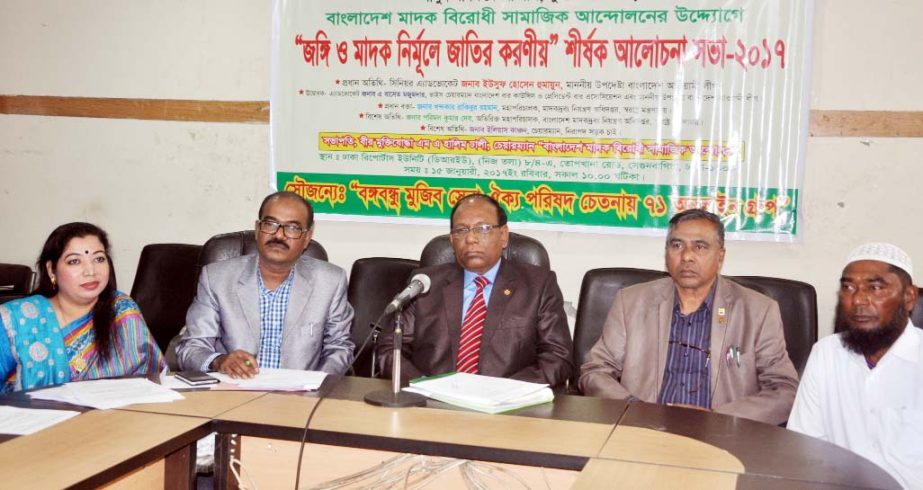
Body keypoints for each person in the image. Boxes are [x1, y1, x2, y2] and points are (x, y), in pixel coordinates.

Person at [579, 209, 799, 425]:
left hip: (723, 437)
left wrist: (717, 417)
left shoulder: (758, 311)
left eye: (700, 247)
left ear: (720, 256)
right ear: (666, 252)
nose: (686, 256)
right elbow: (595, 371)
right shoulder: (631, 302)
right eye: (677, 245)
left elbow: (784, 390)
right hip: (644, 431)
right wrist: (633, 408)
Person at [377, 194, 573, 387]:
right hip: (432, 403)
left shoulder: (538, 285)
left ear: (503, 236)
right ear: (452, 240)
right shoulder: (425, 284)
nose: (471, 238)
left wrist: (504, 392)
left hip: (507, 409)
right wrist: (423, 387)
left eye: (483, 228)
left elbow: (558, 357)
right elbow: (390, 350)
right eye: (461, 230)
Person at [177, 191, 354, 377]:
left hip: (300, 398)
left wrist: (314, 384)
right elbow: (191, 347)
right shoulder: (216, 278)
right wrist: (219, 361)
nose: (279, 235)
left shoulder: (330, 281)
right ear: (258, 229)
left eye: (292, 228)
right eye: (270, 224)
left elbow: (340, 348)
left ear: (307, 238)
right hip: (233, 392)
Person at [788, 243, 922, 488]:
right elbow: (804, 448)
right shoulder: (826, 354)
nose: (859, 299)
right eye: (848, 287)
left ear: (909, 297)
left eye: (875, 287)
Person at [0, 222, 164, 392]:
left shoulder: (122, 310)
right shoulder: (18, 319)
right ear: (51, 270)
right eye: (75, 261)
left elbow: (151, 383)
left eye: (99, 259)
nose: (90, 271)